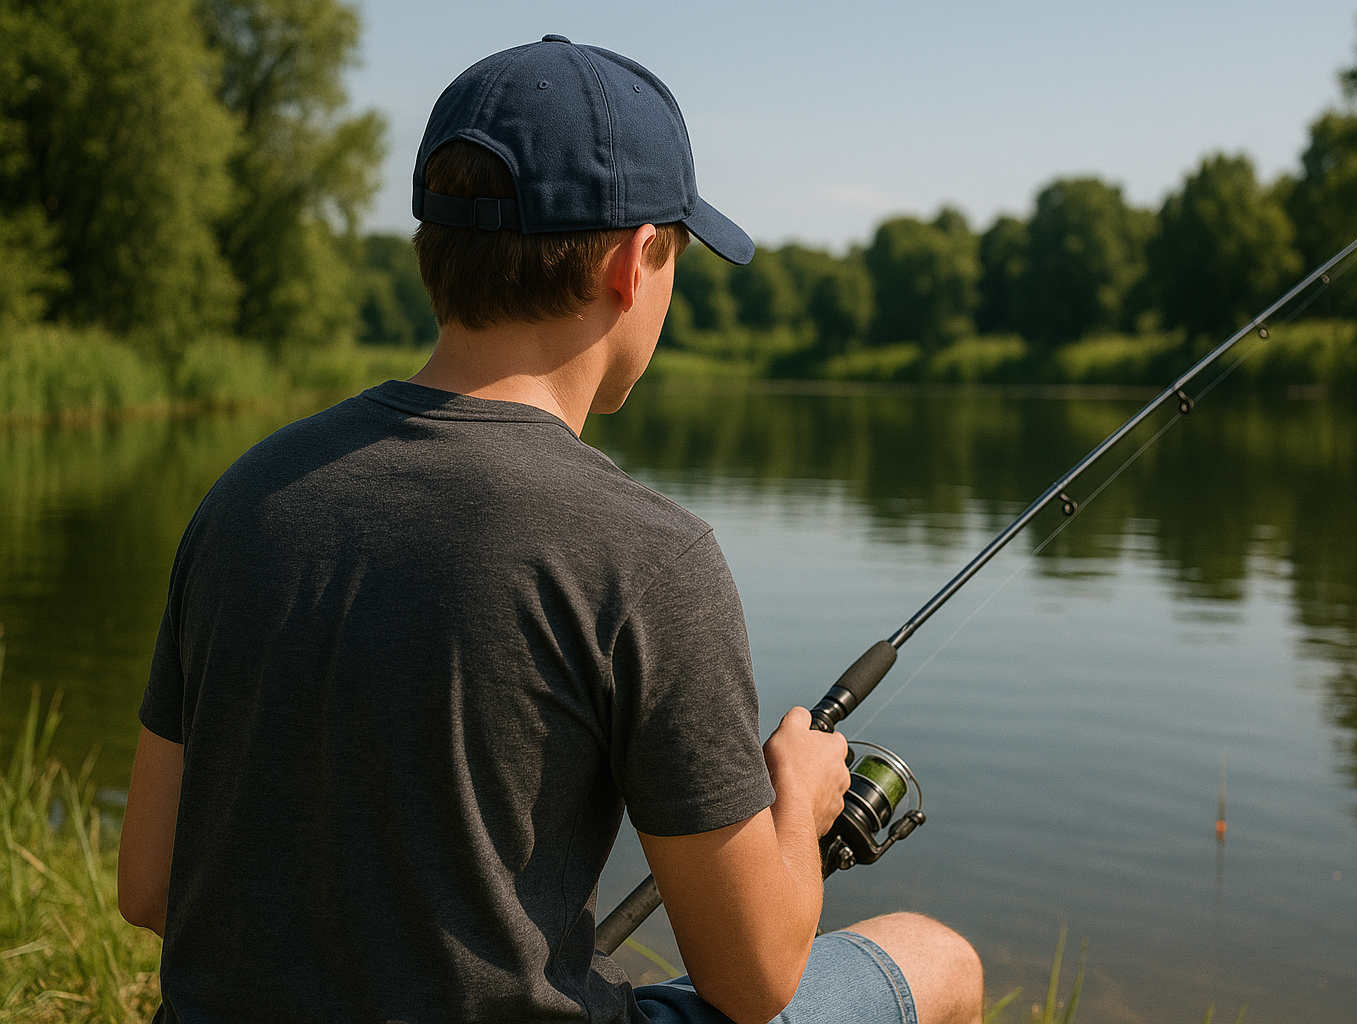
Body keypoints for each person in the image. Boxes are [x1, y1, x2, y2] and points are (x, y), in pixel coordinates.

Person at [117, 35, 983, 1024]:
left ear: (432, 250)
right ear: (632, 263)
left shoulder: (242, 499)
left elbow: (150, 885)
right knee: (939, 961)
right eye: (675, 257)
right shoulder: (651, 558)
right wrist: (800, 801)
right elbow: (755, 980)